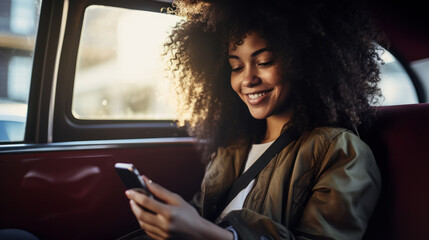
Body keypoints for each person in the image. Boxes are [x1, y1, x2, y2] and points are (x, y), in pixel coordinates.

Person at [121, 0, 383, 239]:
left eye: (264, 61)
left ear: (304, 61)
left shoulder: (341, 152)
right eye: (236, 66)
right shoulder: (231, 149)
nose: (247, 80)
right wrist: (171, 216)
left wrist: (203, 233)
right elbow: (202, 216)